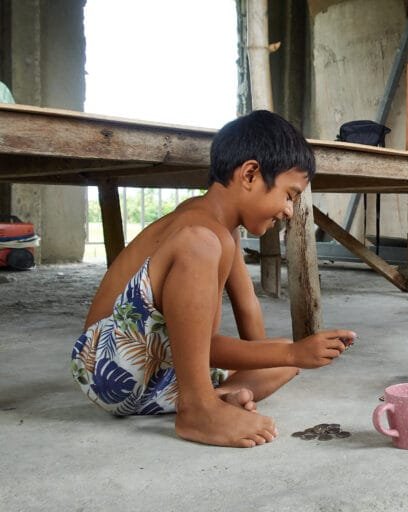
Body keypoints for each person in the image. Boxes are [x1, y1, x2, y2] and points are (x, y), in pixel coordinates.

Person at [71, 110, 356, 447]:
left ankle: (213, 398)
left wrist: (287, 355)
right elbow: (206, 348)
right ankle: (199, 408)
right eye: (289, 194)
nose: (289, 210)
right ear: (250, 174)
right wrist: (293, 352)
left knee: (281, 360)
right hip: (107, 365)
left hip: (163, 378)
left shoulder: (226, 234)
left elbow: (249, 320)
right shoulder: (197, 231)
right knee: (285, 352)